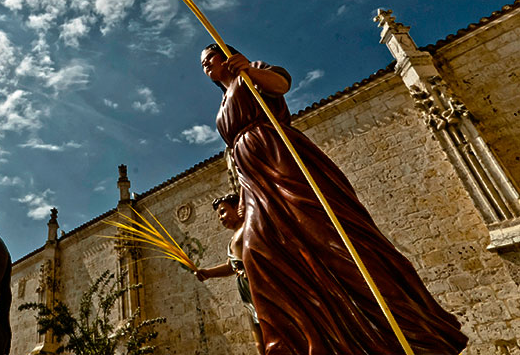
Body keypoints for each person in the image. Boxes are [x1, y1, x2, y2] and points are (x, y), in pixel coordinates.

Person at [200, 44, 468, 354]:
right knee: (257, 249)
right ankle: (299, 341)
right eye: (203, 65)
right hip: (253, 179)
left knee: (326, 239)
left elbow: (281, 85)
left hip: (280, 161)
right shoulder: (222, 104)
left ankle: (400, 329)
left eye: (211, 58)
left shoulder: (251, 72)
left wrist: (248, 69)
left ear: (226, 54)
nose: (207, 66)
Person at [196, 193, 264, 354]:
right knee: (259, 341)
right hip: (247, 294)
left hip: (258, 287)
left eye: (223, 212)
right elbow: (230, 267)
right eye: (219, 215)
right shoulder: (233, 240)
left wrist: (247, 209)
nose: (220, 218)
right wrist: (208, 273)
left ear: (237, 207)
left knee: (269, 331)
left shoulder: (249, 227)